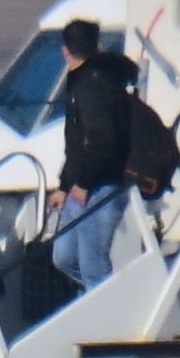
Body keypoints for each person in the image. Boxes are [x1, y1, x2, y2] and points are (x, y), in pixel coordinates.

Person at [49, 19, 138, 289]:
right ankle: (97, 298)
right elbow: (77, 143)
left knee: (93, 265)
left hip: (102, 185)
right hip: (81, 183)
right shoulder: (82, 79)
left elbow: (102, 138)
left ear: (66, 51)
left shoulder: (93, 82)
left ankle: (104, 316)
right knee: (63, 257)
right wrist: (65, 186)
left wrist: (84, 182)